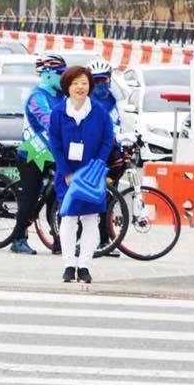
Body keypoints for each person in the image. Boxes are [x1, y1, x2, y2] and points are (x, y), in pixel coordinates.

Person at [47, 65, 114, 284]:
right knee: (68, 218)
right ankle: (68, 265)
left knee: (90, 219)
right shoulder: (58, 112)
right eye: (75, 83)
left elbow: (107, 140)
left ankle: (84, 265)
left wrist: (97, 166)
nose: (80, 87)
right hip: (67, 173)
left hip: (92, 174)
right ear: (67, 86)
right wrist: (66, 171)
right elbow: (54, 143)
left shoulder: (99, 112)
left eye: (84, 83)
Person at [4, 52, 67, 255]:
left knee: (58, 195)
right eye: (60, 73)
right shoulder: (36, 97)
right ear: (47, 73)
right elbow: (48, 120)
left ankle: (59, 238)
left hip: (53, 153)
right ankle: (18, 238)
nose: (63, 77)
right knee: (30, 196)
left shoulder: (62, 96)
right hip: (33, 153)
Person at [88, 58, 122, 257]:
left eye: (105, 80)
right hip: (93, 156)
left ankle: (106, 240)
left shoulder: (113, 100)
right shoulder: (86, 101)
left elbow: (117, 123)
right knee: (93, 199)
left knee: (109, 198)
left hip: (111, 155)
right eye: (97, 80)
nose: (101, 84)